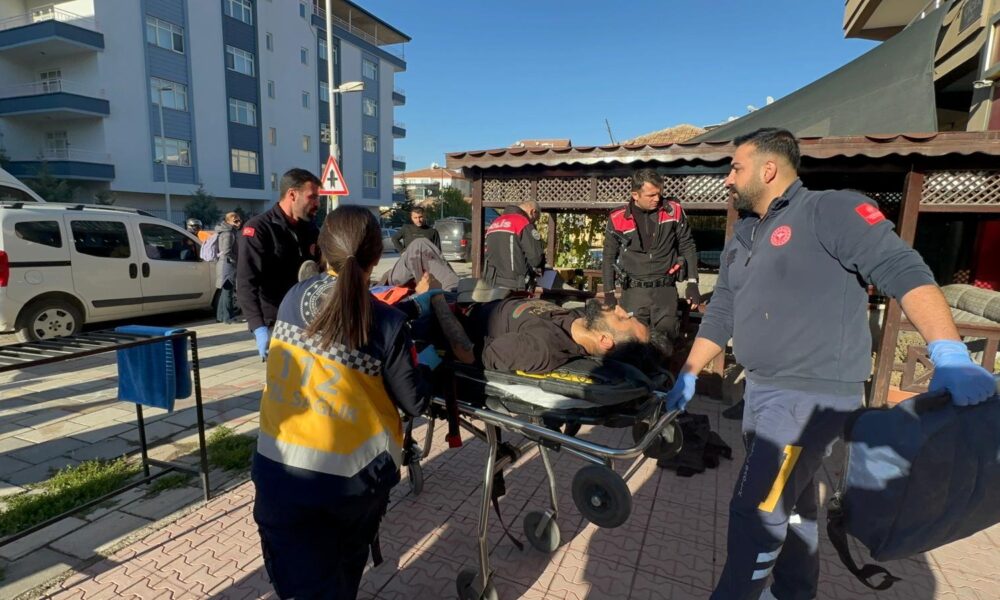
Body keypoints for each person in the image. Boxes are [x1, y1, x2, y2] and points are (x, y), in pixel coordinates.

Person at [663, 128, 996, 600]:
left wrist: (949, 352)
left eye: (735, 168)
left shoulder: (829, 210)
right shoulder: (743, 235)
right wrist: (689, 372)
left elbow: (903, 269)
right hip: (762, 392)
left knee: (757, 508)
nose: (727, 179)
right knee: (793, 503)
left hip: (809, 398)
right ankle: (793, 593)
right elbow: (722, 310)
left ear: (768, 169)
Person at [251, 205, 436, 600]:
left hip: (275, 472)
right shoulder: (386, 323)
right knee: (338, 581)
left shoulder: (292, 297)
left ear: (321, 249)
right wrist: (428, 365)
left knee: (294, 582)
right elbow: (415, 402)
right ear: (377, 255)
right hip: (349, 485)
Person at [602, 169, 699, 344]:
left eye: (659, 193)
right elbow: (609, 257)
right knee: (632, 345)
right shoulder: (617, 218)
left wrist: (692, 282)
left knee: (665, 345)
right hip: (633, 293)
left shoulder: (673, 211)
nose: (657, 198)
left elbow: (687, 245)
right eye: (651, 195)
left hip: (665, 293)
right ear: (635, 195)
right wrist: (609, 293)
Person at [237, 168, 321, 360]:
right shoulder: (259, 229)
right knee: (284, 376)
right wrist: (258, 328)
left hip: (307, 319)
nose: (317, 203)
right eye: (312, 197)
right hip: (277, 323)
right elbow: (245, 283)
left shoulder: (310, 228)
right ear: (292, 194)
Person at [464, 296, 656, 374]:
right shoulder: (580, 318)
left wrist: (444, 308)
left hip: (461, 317)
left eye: (622, 318)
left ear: (604, 340)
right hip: (482, 300)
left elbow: (466, 354)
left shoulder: (541, 348)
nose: (620, 309)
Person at [483, 199, 545, 291]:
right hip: (514, 286)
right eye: (535, 219)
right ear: (533, 212)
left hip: (492, 283)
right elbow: (536, 259)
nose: (534, 223)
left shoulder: (495, 223)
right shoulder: (523, 223)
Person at [379, 237, 460, 291]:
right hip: (407, 269)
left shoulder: (431, 233)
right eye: (415, 217)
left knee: (419, 244)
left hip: (417, 264)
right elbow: (395, 238)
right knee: (419, 244)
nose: (418, 219)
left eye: (420, 217)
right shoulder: (407, 230)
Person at [215, 211, 242, 324]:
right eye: (235, 221)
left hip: (224, 264)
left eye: (239, 220)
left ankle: (221, 316)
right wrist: (237, 258)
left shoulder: (226, 231)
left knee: (225, 291)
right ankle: (228, 317)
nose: (238, 223)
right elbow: (226, 251)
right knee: (228, 292)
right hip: (227, 265)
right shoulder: (228, 233)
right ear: (228, 221)